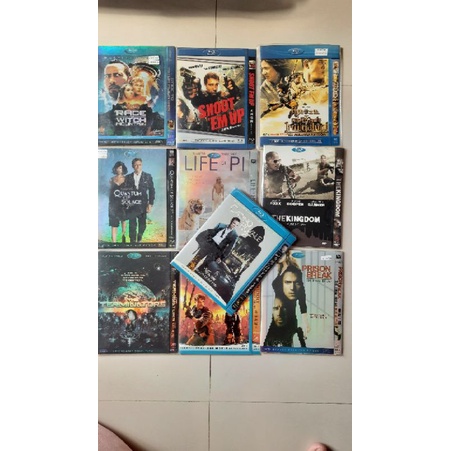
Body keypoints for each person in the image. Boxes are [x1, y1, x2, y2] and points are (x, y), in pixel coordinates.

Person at [269, 265, 310, 347]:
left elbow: (303, 305)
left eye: (297, 283)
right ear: (282, 284)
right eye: (288, 282)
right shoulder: (275, 295)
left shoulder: (301, 292)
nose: (292, 288)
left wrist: (305, 322)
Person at [125, 157, 155, 243]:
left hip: (143, 204)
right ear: (132, 166)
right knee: (132, 224)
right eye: (136, 165)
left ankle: (139, 237)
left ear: (141, 165)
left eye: (139, 165)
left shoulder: (147, 176)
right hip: (131, 205)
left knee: (142, 225)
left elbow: (152, 190)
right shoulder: (128, 177)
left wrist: (150, 204)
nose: (138, 166)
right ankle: (132, 241)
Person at [109, 161, 128, 243]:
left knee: (123, 220)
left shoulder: (126, 179)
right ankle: (114, 242)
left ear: (123, 169)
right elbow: (110, 192)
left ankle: (124, 236)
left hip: (123, 203)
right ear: (115, 169)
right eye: (117, 168)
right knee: (113, 223)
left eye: (120, 168)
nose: (119, 169)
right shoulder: (111, 179)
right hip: (113, 204)